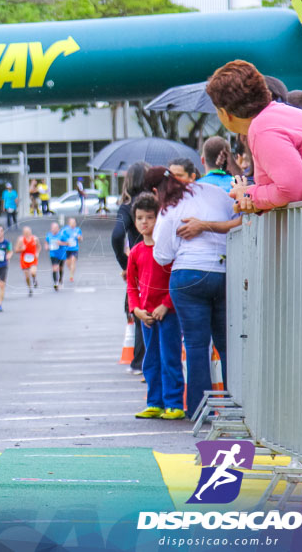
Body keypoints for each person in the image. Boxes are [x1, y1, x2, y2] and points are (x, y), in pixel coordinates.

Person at [149, 166, 235, 417]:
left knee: (197, 345)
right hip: (224, 271)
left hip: (188, 276)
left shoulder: (171, 207)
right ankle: (237, 406)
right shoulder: (216, 192)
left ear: (156, 190)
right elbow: (235, 220)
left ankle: (200, 410)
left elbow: (162, 255)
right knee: (227, 344)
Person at [207, 60, 302, 213]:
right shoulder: (274, 116)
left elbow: (295, 189)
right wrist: (256, 201)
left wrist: (248, 193)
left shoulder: (263, 129)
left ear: (225, 113)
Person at [125, 192, 184, 421]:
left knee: (170, 358)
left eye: (149, 217)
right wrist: (136, 310)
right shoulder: (136, 252)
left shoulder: (166, 249)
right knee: (151, 360)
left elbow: (176, 281)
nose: (144, 222)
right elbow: (131, 286)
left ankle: (174, 403)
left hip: (168, 314)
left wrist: (166, 305)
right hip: (146, 316)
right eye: (139, 218)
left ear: (158, 219)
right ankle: (155, 402)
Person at [111, 161, 149, 374]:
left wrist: (125, 263)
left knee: (138, 309)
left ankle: (140, 361)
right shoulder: (157, 203)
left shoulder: (128, 207)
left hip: (139, 262)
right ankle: (149, 360)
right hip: (161, 260)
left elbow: (117, 235)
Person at [15, 226, 39, 296]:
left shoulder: (35, 238)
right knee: (27, 276)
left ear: (30, 232)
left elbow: (39, 247)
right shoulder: (21, 240)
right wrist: (21, 249)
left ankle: (34, 279)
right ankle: (29, 288)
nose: (27, 233)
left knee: (33, 272)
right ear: (23, 233)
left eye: (28, 232)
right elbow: (16, 250)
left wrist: (37, 253)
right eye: (26, 232)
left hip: (33, 258)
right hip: (24, 260)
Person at [45, 221, 68, 290]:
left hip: (61, 254)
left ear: (58, 229)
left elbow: (68, 243)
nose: (54, 229)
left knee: (60, 268)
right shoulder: (49, 235)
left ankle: (60, 279)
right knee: (55, 268)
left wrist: (60, 243)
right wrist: (46, 247)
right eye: (52, 228)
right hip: (53, 254)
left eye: (55, 228)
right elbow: (46, 242)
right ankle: (55, 283)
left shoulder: (62, 235)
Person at [61, 217, 82, 283]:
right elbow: (60, 238)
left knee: (73, 260)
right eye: (71, 223)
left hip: (74, 249)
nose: (73, 224)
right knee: (68, 263)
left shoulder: (77, 230)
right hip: (67, 249)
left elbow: (81, 239)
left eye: (74, 223)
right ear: (69, 223)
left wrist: (79, 238)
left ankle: (71, 276)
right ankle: (71, 271)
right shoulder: (65, 230)